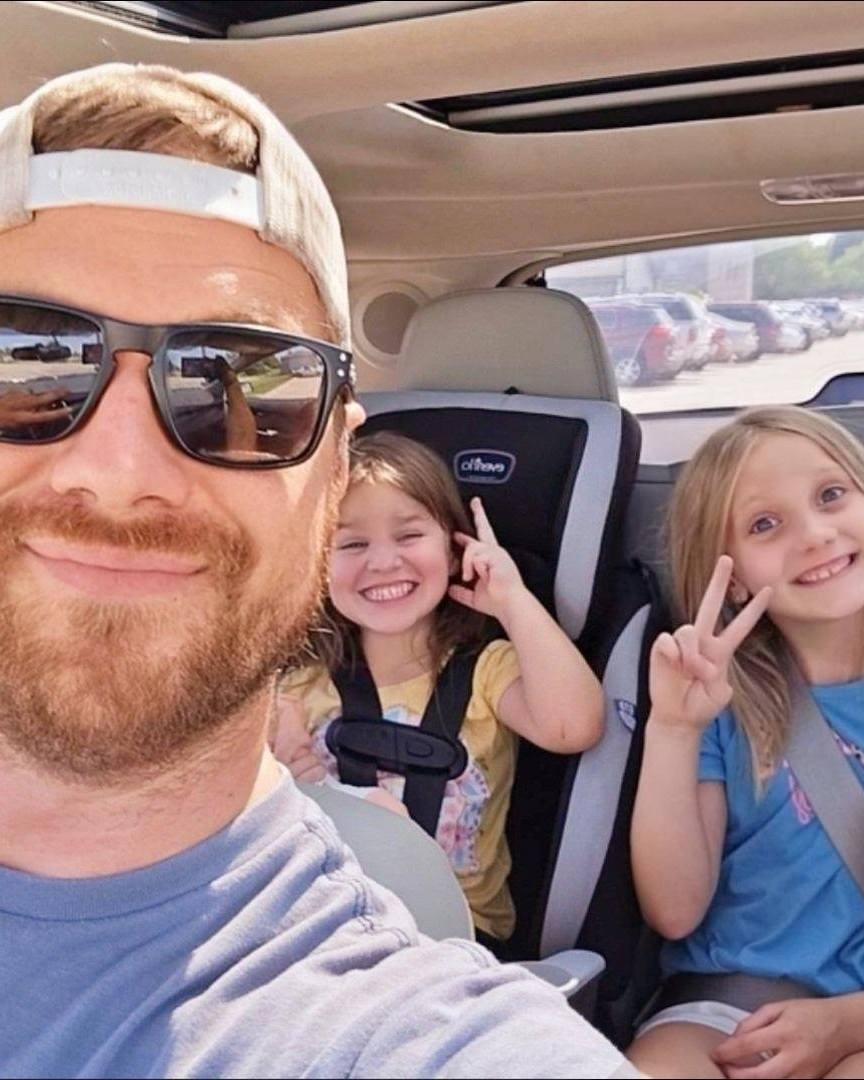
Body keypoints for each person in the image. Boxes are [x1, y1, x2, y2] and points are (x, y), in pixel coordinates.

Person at [0, 63, 637, 1079]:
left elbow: (571, 723)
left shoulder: (427, 1040)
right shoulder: (307, 686)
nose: (121, 474)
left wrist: (512, 599)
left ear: (329, 469)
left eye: (241, 389)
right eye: (24, 361)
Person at [627, 406, 864, 1080]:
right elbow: (676, 911)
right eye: (764, 524)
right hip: (718, 1010)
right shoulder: (715, 703)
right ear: (732, 575)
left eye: (831, 495)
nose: (814, 534)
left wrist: (843, 1027)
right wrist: (674, 729)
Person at [272, 430, 604, 944]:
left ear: (454, 551)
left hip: (457, 934)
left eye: (408, 537)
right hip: (332, 919)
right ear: (318, 563)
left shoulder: (488, 671)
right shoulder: (296, 687)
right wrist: (292, 777)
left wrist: (512, 600)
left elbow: (574, 727)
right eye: (353, 544)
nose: (383, 562)